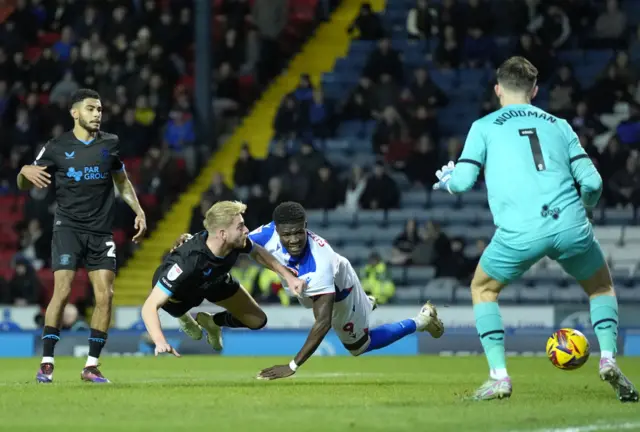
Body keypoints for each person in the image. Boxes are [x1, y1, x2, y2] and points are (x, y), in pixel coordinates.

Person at [432, 56, 638, 403]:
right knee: (601, 286)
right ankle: (607, 358)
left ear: (498, 89)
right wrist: (584, 210)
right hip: (570, 223)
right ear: (535, 90)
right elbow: (593, 182)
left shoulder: (483, 126)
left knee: (483, 288)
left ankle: (499, 377)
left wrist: (448, 183)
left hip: (520, 232)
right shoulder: (559, 124)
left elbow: (465, 181)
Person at [17, 89, 147, 384]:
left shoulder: (110, 144)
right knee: (62, 291)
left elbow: (122, 181)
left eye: (100, 109)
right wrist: (24, 170)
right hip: (68, 229)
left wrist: (138, 210)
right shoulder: (57, 146)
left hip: (101, 232)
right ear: (75, 113)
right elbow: (25, 182)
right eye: (91, 109)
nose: (97, 114)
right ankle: (47, 362)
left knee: (106, 296)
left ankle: (91, 366)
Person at [249, 202, 443, 380]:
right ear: (276, 229)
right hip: (306, 285)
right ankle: (365, 304)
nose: (294, 240)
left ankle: (422, 320)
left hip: (340, 292)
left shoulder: (320, 263)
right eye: (287, 234)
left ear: (306, 225)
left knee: (358, 347)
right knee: (305, 296)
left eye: (299, 232)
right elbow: (240, 244)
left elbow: (323, 323)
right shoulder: (267, 233)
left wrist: (292, 365)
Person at [141, 201, 305, 357]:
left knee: (258, 321)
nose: (247, 230)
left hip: (214, 280)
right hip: (181, 295)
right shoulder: (189, 261)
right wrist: (160, 341)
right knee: (176, 307)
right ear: (223, 234)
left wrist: (289, 277)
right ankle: (184, 318)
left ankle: (213, 322)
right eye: (240, 227)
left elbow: (257, 252)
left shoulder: (236, 242)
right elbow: (149, 306)